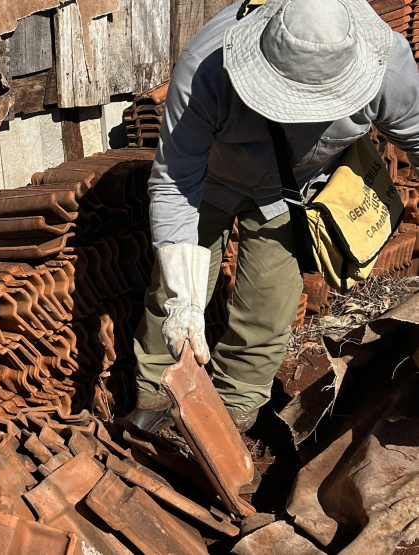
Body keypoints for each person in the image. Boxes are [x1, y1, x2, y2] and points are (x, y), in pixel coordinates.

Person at [128, 0, 419, 433]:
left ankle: (228, 419)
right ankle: (154, 393)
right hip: (210, 178)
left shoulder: (387, 66)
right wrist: (183, 301)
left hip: (297, 189)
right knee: (173, 299)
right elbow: (175, 180)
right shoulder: (207, 67)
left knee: (268, 308)